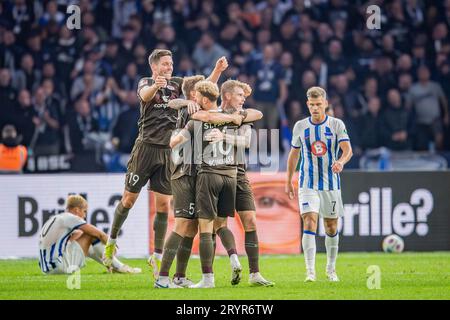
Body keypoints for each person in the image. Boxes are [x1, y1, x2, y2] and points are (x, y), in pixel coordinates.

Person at [103, 49, 183, 273]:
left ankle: (156, 256)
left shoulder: (178, 84)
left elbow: (203, 88)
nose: (169, 68)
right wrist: (156, 85)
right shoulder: (146, 82)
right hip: (145, 149)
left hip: (167, 152)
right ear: (155, 66)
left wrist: (216, 71)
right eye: (165, 64)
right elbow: (145, 96)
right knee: (128, 200)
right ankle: (110, 244)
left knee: (163, 206)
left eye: (171, 64)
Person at [169, 81, 240, 288]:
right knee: (222, 225)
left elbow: (174, 142)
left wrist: (176, 138)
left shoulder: (197, 119)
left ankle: (207, 278)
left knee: (205, 228)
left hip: (208, 174)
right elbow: (248, 133)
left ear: (205, 100)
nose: (195, 101)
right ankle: (234, 258)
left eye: (198, 98)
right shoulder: (231, 117)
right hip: (230, 174)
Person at [205, 79, 274, 287]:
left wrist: (223, 135)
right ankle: (234, 259)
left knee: (250, 221)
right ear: (226, 96)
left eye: (244, 96)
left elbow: (246, 141)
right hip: (217, 173)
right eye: (239, 95)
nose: (243, 99)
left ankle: (255, 274)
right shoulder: (211, 115)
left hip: (239, 174)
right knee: (219, 224)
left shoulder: (241, 117)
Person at [285, 86, 353, 282]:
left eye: (318, 105)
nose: (315, 108)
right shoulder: (300, 126)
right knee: (309, 222)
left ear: (325, 104)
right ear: (308, 104)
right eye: (312, 105)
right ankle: (310, 272)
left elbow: (348, 150)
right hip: (307, 183)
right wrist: (289, 179)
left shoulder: (336, 124)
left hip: (331, 184)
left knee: (331, 226)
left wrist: (341, 161)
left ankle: (331, 269)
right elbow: (293, 154)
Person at [38, 194, 140, 275]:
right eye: (84, 211)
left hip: (46, 268)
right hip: (58, 267)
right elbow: (100, 235)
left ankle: (112, 266)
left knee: (85, 236)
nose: (85, 215)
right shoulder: (70, 218)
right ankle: (119, 267)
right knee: (90, 235)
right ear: (77, 210)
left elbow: (71, 238)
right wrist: (111, 247)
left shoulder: (58, 218)